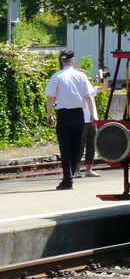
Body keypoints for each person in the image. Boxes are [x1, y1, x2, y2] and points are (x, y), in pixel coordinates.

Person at [45, 49, 97, 190]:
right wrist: (92, 114)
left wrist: (48, 114)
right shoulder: (81, 76)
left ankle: (67, 178)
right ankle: (71, 176)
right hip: (79, 114)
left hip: (63, 115)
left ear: (62, 61)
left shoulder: (57, 76)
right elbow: (88, 96)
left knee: (65, 147)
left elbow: (51, 98)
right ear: (73, 60)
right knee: (76, 147)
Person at [76, 70, 109, 178]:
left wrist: (104, 78)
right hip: (82, 120)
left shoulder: (89, 88)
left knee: (91, 146)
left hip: (92, 121)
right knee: (79, 146)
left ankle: (88, 169)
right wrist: (94, 83)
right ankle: (76, 170)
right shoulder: (75, 89)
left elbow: (103, 88)